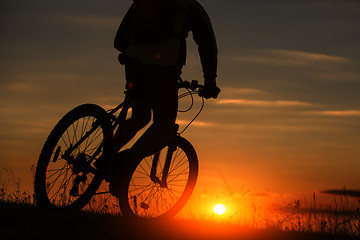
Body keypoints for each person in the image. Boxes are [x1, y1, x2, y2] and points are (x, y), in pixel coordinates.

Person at [109, 0, 220, 197]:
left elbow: (119, 40)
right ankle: (126, 161)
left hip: (134, 64)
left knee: (140, 116)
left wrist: (129, 52)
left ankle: (106, 158)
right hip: (164, 68)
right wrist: (210, 80)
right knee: (164, 126)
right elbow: (206, 42)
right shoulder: (188, 5)